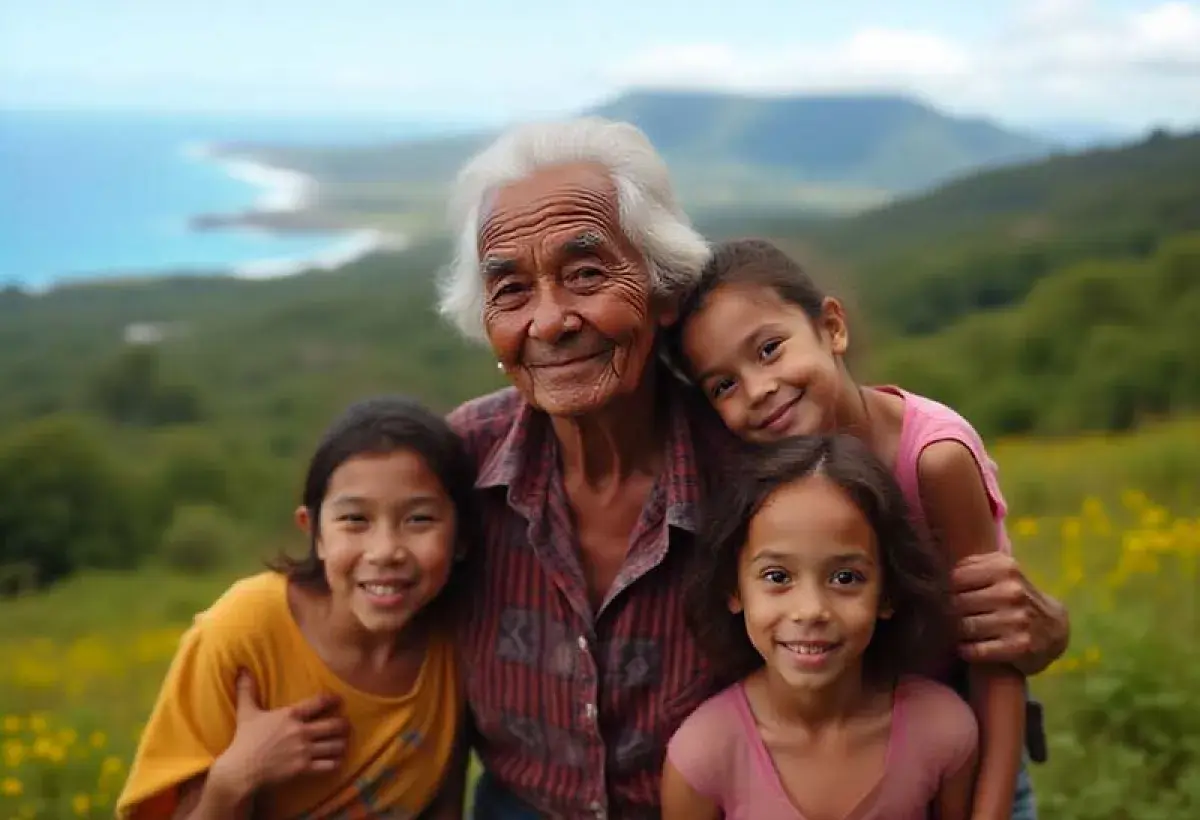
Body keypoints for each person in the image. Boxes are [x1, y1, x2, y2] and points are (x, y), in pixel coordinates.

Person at [437, 117, 1070, 819]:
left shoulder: (771, 466)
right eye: (512, 291)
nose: (550, 321)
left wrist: (1022, 630)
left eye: (587, 274)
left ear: (664, 290)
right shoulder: (458, 461)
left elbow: (910, 626)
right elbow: (362, 610)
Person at [666, 236, 1038, 818]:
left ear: (831, 327)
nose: (758, 389)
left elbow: (997, 646)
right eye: (723, 385)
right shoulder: (762, 475)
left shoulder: (932, 459)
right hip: (834, 737)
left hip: (963, 742)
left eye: (768, 349)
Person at [116, 396, 474, 819]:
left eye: (419, 520)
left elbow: (446, 801)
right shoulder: (244, 631)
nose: (385, 551)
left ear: (462, 536)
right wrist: (235, 777)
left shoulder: (461, 635)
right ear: (315, 533)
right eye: (355, 520)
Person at [663, 434, 978, 820]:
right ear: (734, 588)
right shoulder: (702, 757)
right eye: (777, 576)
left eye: (845, 578)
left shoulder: (942, 733)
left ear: (888, 593)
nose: (810, 610)